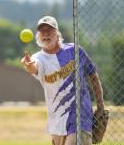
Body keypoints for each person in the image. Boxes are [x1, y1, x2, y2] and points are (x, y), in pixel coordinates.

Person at [21, 16, 105, 145]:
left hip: (80, 116)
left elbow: (93, 75)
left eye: (50, 30)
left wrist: (100, 106)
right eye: (42, 31)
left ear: (57, 33)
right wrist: (28, 66)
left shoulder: (75, 51)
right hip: (57, 121)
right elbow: (34, 68)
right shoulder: (38, 58)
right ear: (38, 36)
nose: (46, 34)